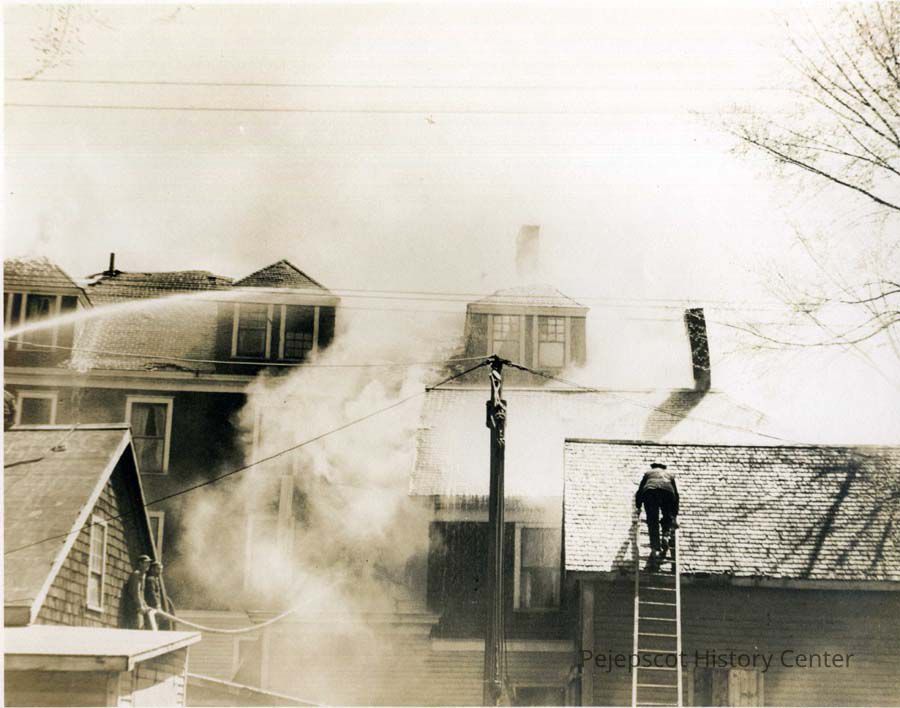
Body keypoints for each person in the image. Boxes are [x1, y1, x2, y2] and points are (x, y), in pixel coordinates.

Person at [635, 462, 679, 566]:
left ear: (653, 467)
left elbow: (640, 491)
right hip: (667, 492)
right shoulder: (669, 474)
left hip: (651, 492)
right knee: (667, 516)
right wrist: (674, 515)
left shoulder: (648, 473)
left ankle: (655, 547)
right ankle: (665, 535)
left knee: (652, 520)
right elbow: (676, 495)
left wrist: (638, 506)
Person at [122, 555, 152, 629]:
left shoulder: (143, 575)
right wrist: (140, 606)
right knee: (136, 627)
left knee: (141, 627)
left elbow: (141, 594)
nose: (148, 565)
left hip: (139, 607)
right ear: (140, 563)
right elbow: (135, 592)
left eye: (149, 563)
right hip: (133, 606)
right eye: (146, 563)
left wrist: (145, 605)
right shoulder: (136, 574)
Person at [144, 561, 174, 630]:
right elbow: (152, 594)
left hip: (155, 608)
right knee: (151, 626)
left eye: (161, 569)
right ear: (152, 569)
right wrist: (157, 605)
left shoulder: (155, 579)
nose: (160, 571)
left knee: (155, 625)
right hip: (152, 607)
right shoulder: (150, 579)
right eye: (158, 569)